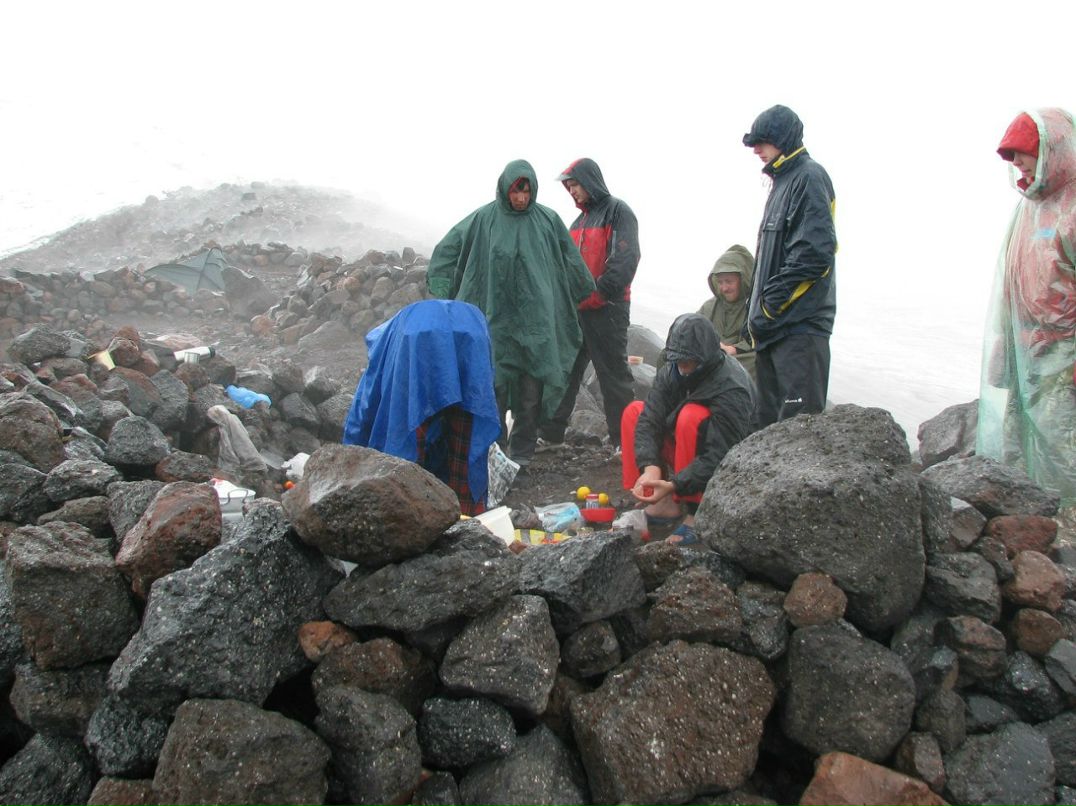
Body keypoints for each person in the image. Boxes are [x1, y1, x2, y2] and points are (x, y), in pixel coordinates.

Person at [426, 160, 595, 471]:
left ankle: (523, 451)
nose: (521, 199)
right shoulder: (484, 219)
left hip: (536, 320)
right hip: (496, 320)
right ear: (506, 190)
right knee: (495, 386)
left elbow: (570, 260)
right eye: (517, 192)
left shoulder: (547, 220)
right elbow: (448, 248)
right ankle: (496, 448)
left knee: (532, 388)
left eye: (527, 192)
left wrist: (583, 290)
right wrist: (443, 289)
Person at [979, 108, 1076, 507]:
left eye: (1021, 152)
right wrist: (1004, 347)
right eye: (1010, 156)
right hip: (1027, 350)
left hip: (1063, 355)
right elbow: (1011, 281)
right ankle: (1030, 520)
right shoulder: (1029, 207)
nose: (1016, 163)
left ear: (1051, 151)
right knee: (1019, 438)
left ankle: (1065, 526)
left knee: (1059, 440)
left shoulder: (1071, 210)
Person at [342, 299, 502, 515]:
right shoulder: (467, 318)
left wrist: (347, 462)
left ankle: (405, 513)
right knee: (466, 432)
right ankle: (467, 516)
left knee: (412, 422)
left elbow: (364, 409)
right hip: (471, 332)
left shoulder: (390, 339)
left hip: (419, 342)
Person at [621, 313, 755, 544]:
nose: (681, 366)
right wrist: (649, 467)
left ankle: (695, 513)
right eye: (677, 359)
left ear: (706, 358)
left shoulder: (732, 387)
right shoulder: (673, 369)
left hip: (726, 465)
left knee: (691, 415)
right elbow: (649, 419)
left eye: (688, 361)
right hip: (690, 450)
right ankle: (659, 499)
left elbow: (722, 454)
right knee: (635, 411)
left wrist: (676, 483)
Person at [742, 105, 837, 427]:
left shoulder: (809, 177)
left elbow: (814, 254)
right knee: (766, 429)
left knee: (797, 433)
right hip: (774, 332)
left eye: (762, 141)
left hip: (799, 331)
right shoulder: (783, 182)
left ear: (782, 138)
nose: (755, 149)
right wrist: (756, 316)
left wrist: (767, 307)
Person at [538, 158, 640, 452]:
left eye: (574, 184)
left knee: (613, 376)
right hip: (577, 309)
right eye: (568, 187)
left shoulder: (619, 212)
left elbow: (625, 261)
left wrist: (597, 294)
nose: (571, 191)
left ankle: (625, 444)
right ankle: (552, 435)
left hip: (609, 309)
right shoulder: (576, 223)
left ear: (590, 180)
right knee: (564, 371)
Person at [697, 244, 757, 382]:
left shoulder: (757, 306)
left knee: (759, 360)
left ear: (743, 279)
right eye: (720, 282)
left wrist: (734, 349)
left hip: (740, 362)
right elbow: (691, 330)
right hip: (709, 359)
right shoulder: (709, 307)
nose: (724, 288)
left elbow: (763, 339)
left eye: (729, 281)